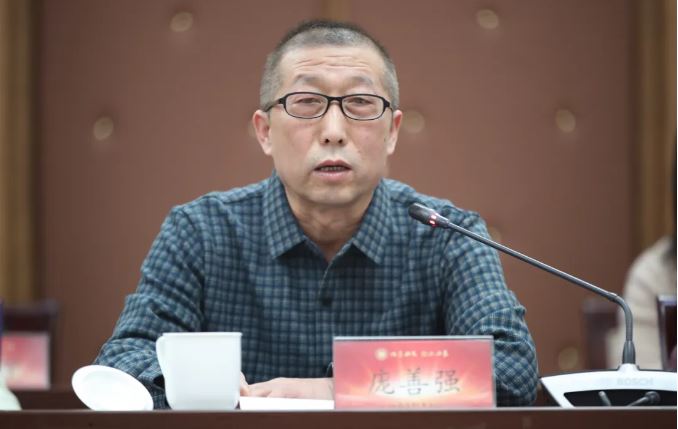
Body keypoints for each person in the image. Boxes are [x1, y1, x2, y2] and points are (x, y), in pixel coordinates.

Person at [95, 19, 538, 407]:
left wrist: (338, 388)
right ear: (265, 132)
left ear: (392, 132)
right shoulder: (201, 232)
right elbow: (121, 361)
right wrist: (200, 387)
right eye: (306, 103)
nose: (333, 132)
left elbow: (512, 368)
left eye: (360, 103)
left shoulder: (447, 235)